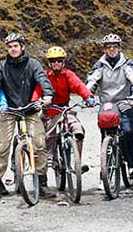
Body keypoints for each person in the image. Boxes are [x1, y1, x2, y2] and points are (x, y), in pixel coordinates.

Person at [0, 33, 54, 200]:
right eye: (9, 47)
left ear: (22, 47)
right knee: (2, 147)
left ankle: (41, 182)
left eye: (15, 46)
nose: (12, 49)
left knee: (39, 143)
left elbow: (43, 79)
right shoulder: (2, 66)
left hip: (29, 109)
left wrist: (47, 95)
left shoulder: (33, 64)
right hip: (9, 110)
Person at [33, 46, 97, 178]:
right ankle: (48, 157)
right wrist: (34, 101)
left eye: (59, 60)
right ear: (49, 63)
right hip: (49, 111)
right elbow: (37, 90)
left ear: (63, 62)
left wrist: (88, 97)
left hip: (64, 109)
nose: (56, 63)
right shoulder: (44, 76)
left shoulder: (68, 75)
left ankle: (78, 162)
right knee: (46, 135)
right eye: (53, 61)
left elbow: (79, 86)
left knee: (78, 129)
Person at [85, 34, 133, 180]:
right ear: (104, 49)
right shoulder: (99, 65)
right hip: (107, 105)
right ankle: (105, 173)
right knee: (105, 137)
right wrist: (87, 96)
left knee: (128, 131)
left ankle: (132, 166)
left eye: (115, 46)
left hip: (125, 103)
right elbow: (92, 82)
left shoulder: (127, 63)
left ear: (119, 48)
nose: (112, 50)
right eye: (108, 47)